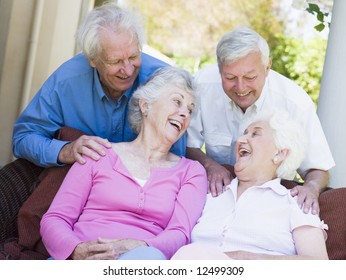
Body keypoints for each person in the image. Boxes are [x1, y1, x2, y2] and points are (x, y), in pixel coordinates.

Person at [40, 66, 208, 260]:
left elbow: (180, 233)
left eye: (190, 109)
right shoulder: (99, 153)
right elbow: (55, 219)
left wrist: (138, 246)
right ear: (145, 105)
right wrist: (77, 250)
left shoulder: (191, 172)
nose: (184, 114)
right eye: (177, 101)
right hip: (82, 260)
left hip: (141, 262)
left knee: (149, 259)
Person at [12, 2, 185, 168]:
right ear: (92, 60)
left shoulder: (165, 83)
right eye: (116, 61)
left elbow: (177, 157)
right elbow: (23, 137)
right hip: (76, 177)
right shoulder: (66, 81)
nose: (128, 69)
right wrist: (65, 151)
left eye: (133, 57)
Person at [186, 26, 335, 214]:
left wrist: (311, 188)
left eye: (250, 77)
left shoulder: (295, 102)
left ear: (267, 67)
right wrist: (209, 165)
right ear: (219, 69)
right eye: (230, 77)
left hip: (269, 204)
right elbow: (185, 144)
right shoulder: (201, 85)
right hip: (217, 196)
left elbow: (318, 169)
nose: (240, 88)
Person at [172, 112, 329, 260]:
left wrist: (247, 258)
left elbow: (319, 266)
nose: (241, 140)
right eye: (244, 133)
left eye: (255, 134)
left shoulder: (297, 202)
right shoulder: (209, 192)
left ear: (280, 154)